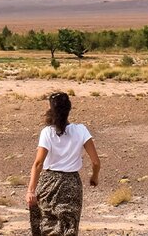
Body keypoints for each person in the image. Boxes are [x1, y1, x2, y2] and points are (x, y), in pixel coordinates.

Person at [26, 92, 101, 236]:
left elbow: (38, 163)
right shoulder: (81, 130)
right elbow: (96, 161)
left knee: (46, 225)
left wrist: (31, 190)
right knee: (69, 227)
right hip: (71, 184)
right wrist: (94, 177)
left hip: (48, 184)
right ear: (69, 109)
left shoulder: (47, 132)